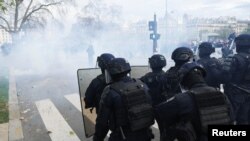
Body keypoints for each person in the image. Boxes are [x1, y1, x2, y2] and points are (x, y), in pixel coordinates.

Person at [155, 62, 233, 141]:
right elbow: (231, 118)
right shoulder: (221, 95)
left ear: (184, 81)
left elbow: (159, 112)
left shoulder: (182, 99)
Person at [93, 58, 154, 141]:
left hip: (122, 137)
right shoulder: (142, 85)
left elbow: (102, 122)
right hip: (145, 135)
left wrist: (97, 138)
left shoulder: (110, 91)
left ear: (111, 73)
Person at [222, 34, 250, 124]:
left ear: (238, 45)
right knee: (245, 119)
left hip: (235, 94)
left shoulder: (234, 58)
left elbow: (224, 78)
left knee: (230, 118)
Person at [140, 54, 167, 140]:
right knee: (164, 128)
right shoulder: (167, 75)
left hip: (150, 107)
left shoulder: (147, 77)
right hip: (163, 106)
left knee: (145, 128)